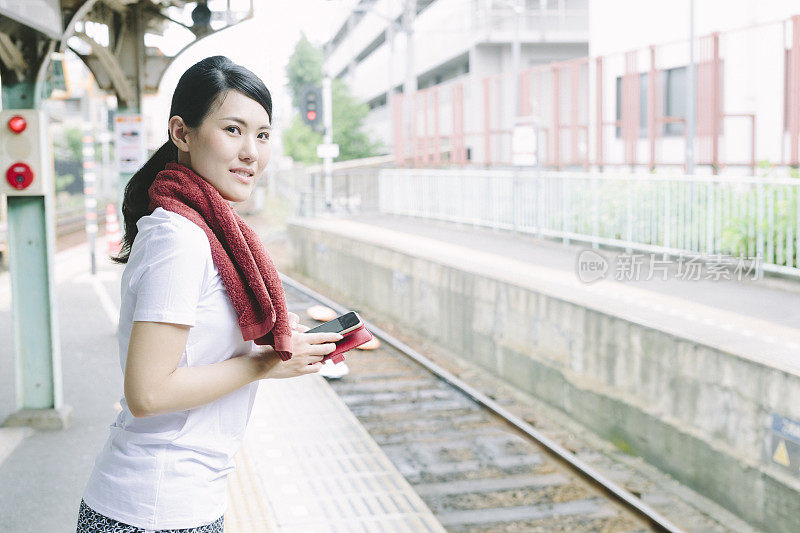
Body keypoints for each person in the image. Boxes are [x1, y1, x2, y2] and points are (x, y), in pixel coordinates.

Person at [76, 56, 342, 532]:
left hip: (178, 502)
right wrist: (268, 363)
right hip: (152, 509)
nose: (251, 153)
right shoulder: (178, 238)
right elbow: (148, 393)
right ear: (182, 133)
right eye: (233, 129)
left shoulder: (206, 234)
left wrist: (277, 343)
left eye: (262, 135)